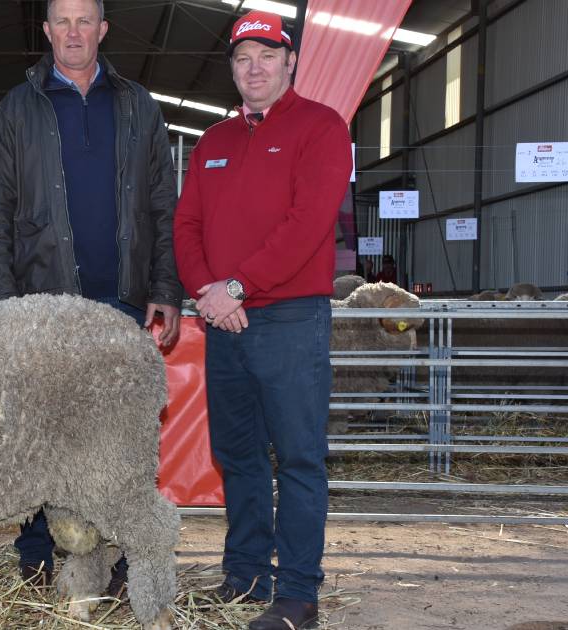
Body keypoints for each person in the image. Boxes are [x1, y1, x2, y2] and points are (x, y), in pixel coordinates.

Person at [0, 0, 183, 592]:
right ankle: (39, 552)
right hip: (44, 310)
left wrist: (165, 287)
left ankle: (121, 557)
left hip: (121, 302)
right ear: (46, 31)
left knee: (118, 438)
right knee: (41, 434)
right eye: (61, 22)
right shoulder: (19, 108)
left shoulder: (140, 106)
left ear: (102, 30)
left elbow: (163, 206)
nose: (73, 32)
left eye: (84, 21)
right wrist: (4, 307)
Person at [172, 10, 352, 630]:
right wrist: (206, 292)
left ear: (290, 61)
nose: (255, 68)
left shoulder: (322, 127)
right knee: (239, 453)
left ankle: (299, 594)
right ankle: (246, 575)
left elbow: (308, 223)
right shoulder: (213, 142)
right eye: (244, 58)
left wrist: (238, 286)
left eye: (267, 57)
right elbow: (186, 225)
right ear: (232, 68)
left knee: (298, 457)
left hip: (289, 319)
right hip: (223, 323)